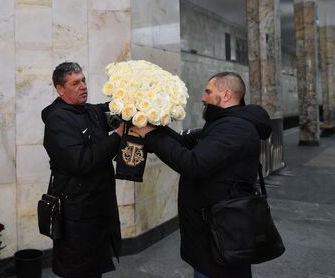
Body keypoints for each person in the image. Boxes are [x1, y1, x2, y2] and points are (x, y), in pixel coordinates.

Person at [133, 72, 272, 278]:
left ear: (225, 95)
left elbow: (193, 164)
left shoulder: (235, 128)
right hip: (214, 233)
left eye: (208, 92)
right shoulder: (225, 123)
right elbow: (185, 143)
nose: (203, 97)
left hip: (223, 234)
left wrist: (150, 134)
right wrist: (154, 126)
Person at [41, 62, 124, 278]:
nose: (83, 86)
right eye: (75, 83)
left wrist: (138, 97)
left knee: (94, 269)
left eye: (84, 81)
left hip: (96, 207)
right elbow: (80, 162)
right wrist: (117, 136)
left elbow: (116, 108)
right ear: (60, 89)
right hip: (76, 213)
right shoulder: (57, 120)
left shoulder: (90, 111)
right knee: (78, 269)